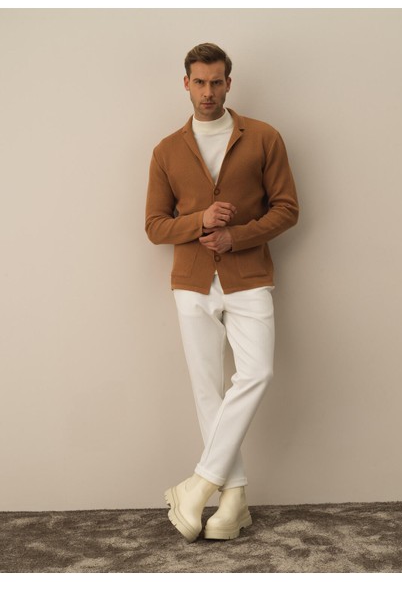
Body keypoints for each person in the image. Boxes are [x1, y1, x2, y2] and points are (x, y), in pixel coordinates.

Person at [145, 42, 299, 542]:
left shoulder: (264, 137)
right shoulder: (167, 150)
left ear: (228, 83)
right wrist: (201, 221)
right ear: (185, 84)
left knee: (258, 372)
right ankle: (232, 503)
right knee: (207, 390)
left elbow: (287, 208)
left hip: (249, 277)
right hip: (192, 284)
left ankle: (196, 486)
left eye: (216, 82)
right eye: (199, 82)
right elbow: (154, 226)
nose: (207, 91)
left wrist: (238, 236)